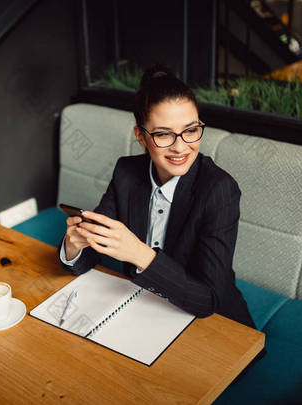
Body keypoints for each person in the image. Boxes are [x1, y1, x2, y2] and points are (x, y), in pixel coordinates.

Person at [57, 65, 256, 329]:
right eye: (163, 134)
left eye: (191, 130)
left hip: (214, 323)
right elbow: (90, 254)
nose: (181, 146)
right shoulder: (126, 172)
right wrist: (73, 246)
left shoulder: (219, 189)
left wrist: (139, 253)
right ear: (141, 136)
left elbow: (208, 300)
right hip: (143, 309)